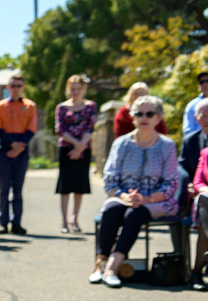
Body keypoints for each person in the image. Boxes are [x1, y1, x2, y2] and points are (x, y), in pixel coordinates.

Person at [89, 95, 179, 288]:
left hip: (157, 200)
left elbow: (171, 183)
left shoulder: (167, 145)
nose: (143, 117)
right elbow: (110, 178)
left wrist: (145, 199)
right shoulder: (121, 143)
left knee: (134, 214)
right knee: (112, 209)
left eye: (149, 113)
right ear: (133, 116)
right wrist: (125, 196)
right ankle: (99, 265)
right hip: (124, 196)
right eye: (139, 113)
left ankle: (112, 268)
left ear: (158, 117)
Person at [0, 71, 36, 234]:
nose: (16, 88)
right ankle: (3, 223)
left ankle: (16, 222)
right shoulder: (0, 106)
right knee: (4, 189)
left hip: (22, 150)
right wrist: (12, 145)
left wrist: (18, 148)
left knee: (18, 189)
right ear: (8, 87)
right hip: (4, 148)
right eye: (13, 86)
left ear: (23, 87)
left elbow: (31, 129)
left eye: (19, 86)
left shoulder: (30, 106)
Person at [54, 74, 97, 233]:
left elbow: (91, 127)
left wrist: (80, 148)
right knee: (65, 186)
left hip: (84, 149)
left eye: (78, 88)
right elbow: (60, 129)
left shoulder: (90, 106)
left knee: (79, 185)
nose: (75, 91)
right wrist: (75, 145)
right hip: (67, 149)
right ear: (68, 89)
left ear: (83, 89)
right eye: (73, 89)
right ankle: (64, 221)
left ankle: (74, 219)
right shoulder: (62, 107)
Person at [187, 100, 208, 290]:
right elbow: (198, 182)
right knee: (204, 198)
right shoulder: (205, 153)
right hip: (205, 200)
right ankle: (197, 272)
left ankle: (197, 272)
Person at [182, 71, 208, 137]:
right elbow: (188, 129)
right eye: (201, 82)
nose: (205, 84)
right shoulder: (192, 105)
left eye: (207, 81)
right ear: (199, 86)